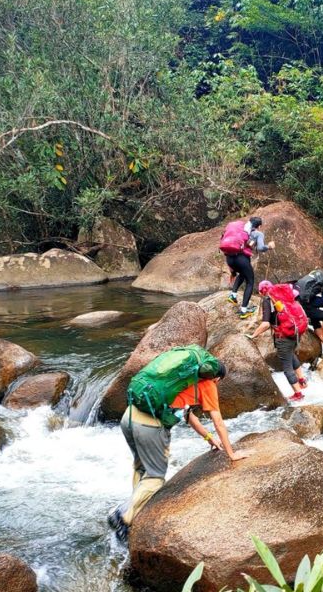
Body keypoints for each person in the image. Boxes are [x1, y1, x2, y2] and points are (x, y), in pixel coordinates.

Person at [108, 358, 246, 543]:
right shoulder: (208, 385)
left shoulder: (182, 381)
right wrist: (231, 453)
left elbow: (188, 415)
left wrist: (208, 438)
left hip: (129, 416)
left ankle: (135, 514)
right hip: (148, 425)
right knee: (155, 477)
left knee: (142, 467)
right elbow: (218, 421)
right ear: (216, 378)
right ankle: (123, 515)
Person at [249, 281, 309, 402]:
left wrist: (253, 335)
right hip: (295, 333)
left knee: (287, 367)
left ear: (261, 292)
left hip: (283, 336)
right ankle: (302, 380)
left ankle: (298, 393)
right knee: (290, 355)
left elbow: (266, 324)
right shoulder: (284, 297)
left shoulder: (267, 300)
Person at [219, 216, 275, 319]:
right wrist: (269, 247)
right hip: (242, 259)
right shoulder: (257, 233)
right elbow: (260, 248)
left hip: (230, 258)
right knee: (250, 282)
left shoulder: (242, 230)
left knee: (243, 274)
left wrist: (232, 272)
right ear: (259, 226)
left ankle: (233, 295)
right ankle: (244, 311)